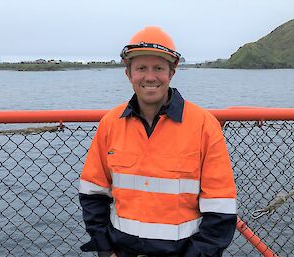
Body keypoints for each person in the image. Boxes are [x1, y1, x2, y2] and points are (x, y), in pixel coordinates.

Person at [79, 26, 237, 257]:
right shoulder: (110, 124)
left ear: (171, 73)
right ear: (129, 74)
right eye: (141, 68)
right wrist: (105, 250)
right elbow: (93, 194)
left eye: (159, 68)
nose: (150, 77)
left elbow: (220, 209)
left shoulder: (204, 125)